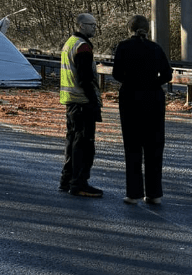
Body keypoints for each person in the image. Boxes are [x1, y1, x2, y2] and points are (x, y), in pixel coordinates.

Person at [112, 15, 173, 205]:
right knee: (154, 146)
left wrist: (131, 81)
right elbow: (167, 74)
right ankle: (154, 194)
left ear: (129, 29)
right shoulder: (155, 48)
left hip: (130, 98)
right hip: (154, 99)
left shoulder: (123, 47)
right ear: (147, 29)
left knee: (132, 146)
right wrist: (152, 83)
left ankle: (134, 193)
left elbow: (115, 73)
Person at [59, 13, 104, 197]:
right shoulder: (82, 47)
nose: (95, 28)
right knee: (84, 143)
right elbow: (85, 78)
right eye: (91, 25)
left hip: (71, 101)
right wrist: (93, 101)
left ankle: (67, 179)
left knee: (72, 141)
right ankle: (80, 183)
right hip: (82, 101)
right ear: (81, 26)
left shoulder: (70, 43)